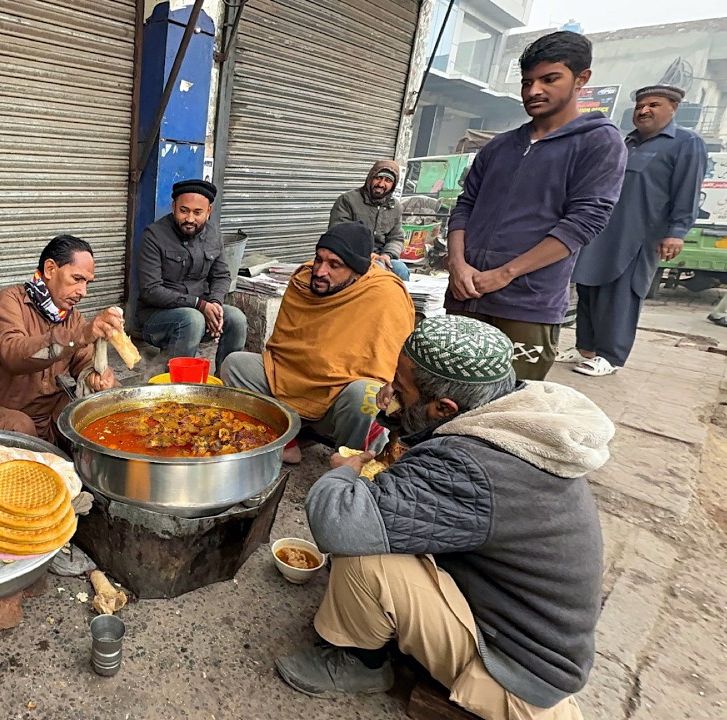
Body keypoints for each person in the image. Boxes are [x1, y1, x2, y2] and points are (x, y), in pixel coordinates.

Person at [278, 316, 611, 720]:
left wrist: (341, 472)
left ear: (444, 407)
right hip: (510, 629)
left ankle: (361, 664)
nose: (389, 393)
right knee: (383, 518)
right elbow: (424, 439)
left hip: (515, 679)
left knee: (361, 546)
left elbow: (339, 522)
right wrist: (399, 410)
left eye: (400, 389)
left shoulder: (472, 466)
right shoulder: (512, 416)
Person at [445, 31, 625, 380]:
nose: (533, 91)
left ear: (581, 79)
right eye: (527, 81)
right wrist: (456, 264)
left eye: (549, 79)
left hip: (527, 304)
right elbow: (465, 205)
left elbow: (584, 223)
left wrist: (504, 274)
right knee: (447, 392)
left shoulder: (599, 142)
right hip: (465, 294)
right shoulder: (499, 147)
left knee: (509, 406)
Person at [220, 223, 414, 460]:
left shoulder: (384, 294)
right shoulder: (302, 281)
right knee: (236, 365)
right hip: (289, 385)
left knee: (365, 395)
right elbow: (282, 346)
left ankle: (349, 463)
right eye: (319, 259)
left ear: (357, 271)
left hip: (338, 406)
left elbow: (398, 363)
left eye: (334, 265)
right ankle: (282, 441)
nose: (320, 271)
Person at [561, 85, 707, 376]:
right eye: (640, 105)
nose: (644, 110)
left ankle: (611, 355)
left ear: (673, 108)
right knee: (589, 287)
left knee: (622, 292)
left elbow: (687, 190)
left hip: (640, 233)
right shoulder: (626, 143)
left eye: (654, 104)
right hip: (602, 230)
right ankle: (586, 349)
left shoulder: (685, 143)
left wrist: (677, 231)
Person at [0, 235, 122, 444]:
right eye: (77, 279)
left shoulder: (72, 317)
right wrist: (80, 336)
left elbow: (85, 362)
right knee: (19, 426)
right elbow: (14, 355)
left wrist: (99, 377)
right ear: (50, 269)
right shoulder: (8, 301)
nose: (83, 292)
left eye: (87, 283)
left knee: (97, 407)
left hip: (45, 420)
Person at [136, 179, 246, 371]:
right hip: (156, 318)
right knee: (192, 319)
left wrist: (216, 304)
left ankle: (227, 385)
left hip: (200, 311)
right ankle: (174, 386)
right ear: (173, 207)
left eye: (197, 212)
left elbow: (221, 276)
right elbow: (150, 290)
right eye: (184, 210)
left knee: (236, 318)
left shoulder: (213, 234)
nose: (189, 219)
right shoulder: (153, 236)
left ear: (208, 211)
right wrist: (199, 305)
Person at [329, 160, 410, 281]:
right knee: (377, 270)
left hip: (382, 257)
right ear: (370, 179)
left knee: (400, 269)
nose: (381, 184)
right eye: (378, 178)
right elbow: (338, 233)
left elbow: (396, 238)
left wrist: (387, 255)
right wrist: (371, 256)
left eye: (388, 181)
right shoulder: (348, 200)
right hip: (351, 255)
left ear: (393, 185)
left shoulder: (395, 207)